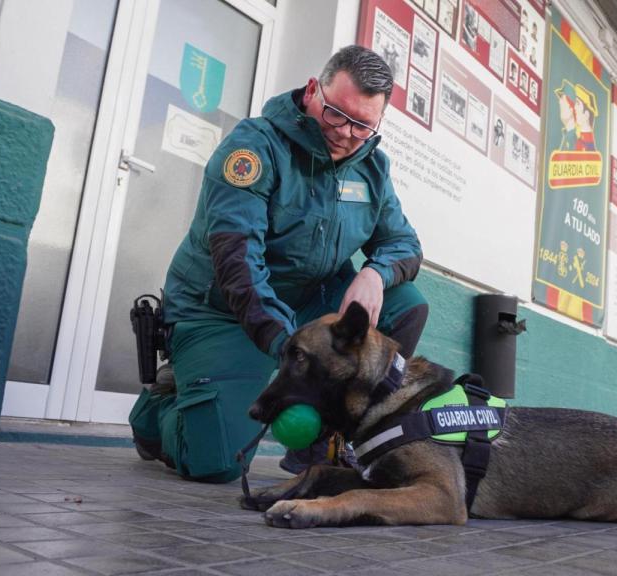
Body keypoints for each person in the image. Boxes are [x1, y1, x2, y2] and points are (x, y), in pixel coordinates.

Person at [128, 45, 428, 483]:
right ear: (312, 92)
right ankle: (158, 410)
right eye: (335, 115)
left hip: (309, 302)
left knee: (406, 304)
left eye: (363, 125)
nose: (345, 133)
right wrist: (294, 350)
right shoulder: (254, 148)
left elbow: (405, 243)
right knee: (216, 463)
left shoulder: (372, 169)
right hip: (222, 310)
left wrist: (373, 273)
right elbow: (238, 264)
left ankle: (333, 441)